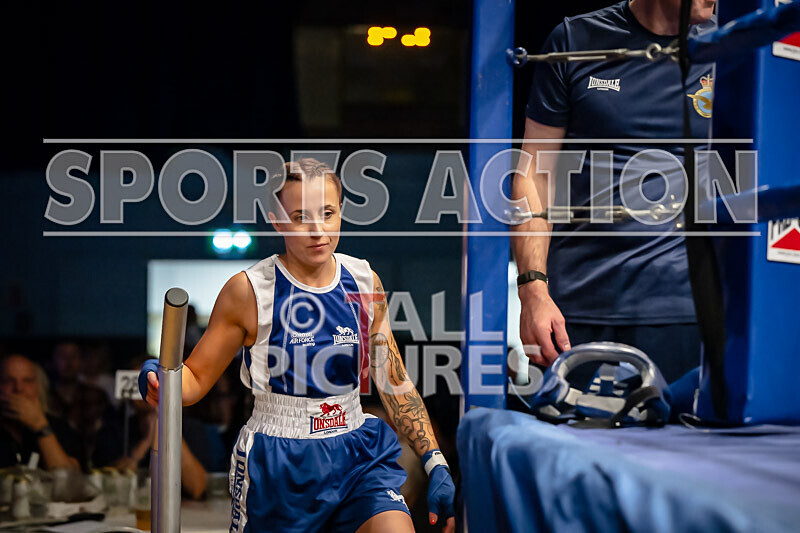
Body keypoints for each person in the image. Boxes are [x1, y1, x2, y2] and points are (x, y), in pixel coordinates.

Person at [141, 158, 456, 533]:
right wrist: (162, 378)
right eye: (300, 216)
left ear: (342, 212)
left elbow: (393, 380)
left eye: (327, 213)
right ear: (277, 220)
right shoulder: (249, 291)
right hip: (280, 461)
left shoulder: (363, 280)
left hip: (355, 449)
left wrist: (434, 459)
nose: (317, 230)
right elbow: (194, 379)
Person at [512, 0, 716, 382]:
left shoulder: (730, 48)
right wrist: (532, 292)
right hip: (578, 312)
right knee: (569, 442)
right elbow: (534, 173)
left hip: (688, 309)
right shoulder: (576, 39)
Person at [0, 354, 83, 470]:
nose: (18, 389)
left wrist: (40, 426)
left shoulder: (57, 427)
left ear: (38, 387)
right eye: (8, 381)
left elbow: (66, 479)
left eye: (27, 381)